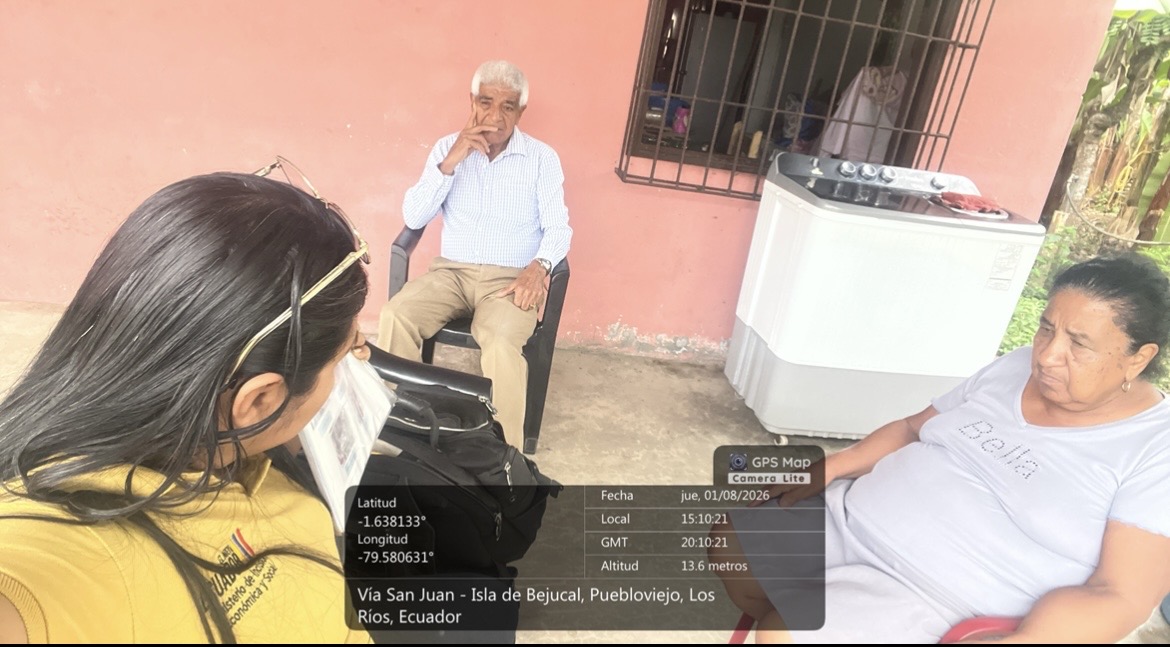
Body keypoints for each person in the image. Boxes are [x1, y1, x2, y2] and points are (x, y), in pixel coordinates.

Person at [0, 161, 374, 643]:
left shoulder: (245, 454)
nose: (348, 371)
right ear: (260, 399)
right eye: (342, 360)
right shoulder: (60, 560)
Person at [711, 253, 1170, 643]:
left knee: (785, 634)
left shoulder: (1155, 447)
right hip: (850, 519)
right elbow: (913, 428)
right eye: (1046, 329)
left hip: (933, 594)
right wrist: (834, 466)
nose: (1048, 355)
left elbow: (1122, 595)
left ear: (1139, 357)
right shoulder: (1015, 368)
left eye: (1079, 344)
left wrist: (1029, 639)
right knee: (729, 543)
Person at [377, 60, 572, 449]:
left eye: (508, 106)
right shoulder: (446, 148)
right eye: (486, 102)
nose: (495, 116)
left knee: (500, 342)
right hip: (451, 275)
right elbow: (413, 217)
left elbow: (559, 227)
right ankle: (397, 427)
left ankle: (505, 456)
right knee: (396, 315)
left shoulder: (541, 158)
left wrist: (539, 267)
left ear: (521, 111)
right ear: (472, 102)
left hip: (509, 280)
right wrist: (451, 161)